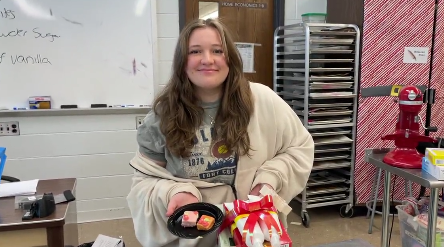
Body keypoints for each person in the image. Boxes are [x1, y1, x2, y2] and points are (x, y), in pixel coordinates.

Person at [126, 18, 314, 247]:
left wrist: (269, 178)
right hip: (194, 239)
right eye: (195, 51)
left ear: (231, 58)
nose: (207, 60)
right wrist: (174, 192)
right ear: (182, 61)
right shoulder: (161, 117)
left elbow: (300, 148)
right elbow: (144, 183)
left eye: (217, 50)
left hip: (253, 234)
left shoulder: (263, 101)